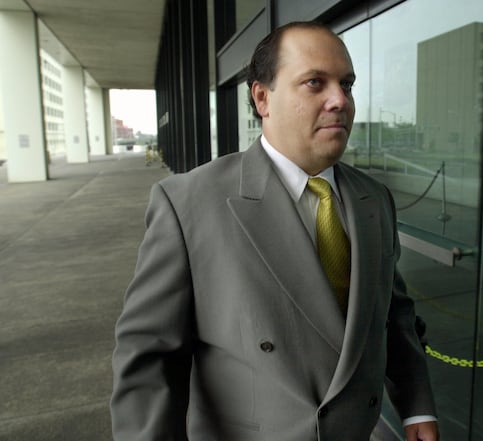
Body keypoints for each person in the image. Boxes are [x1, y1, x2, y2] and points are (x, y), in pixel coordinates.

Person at [111, 21, 439, 441]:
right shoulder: (190, 203)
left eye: (347, 84)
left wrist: (415, 408)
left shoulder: (374, 200)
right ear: (262, 97)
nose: (339, 100)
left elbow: (394, 317)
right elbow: (149, 358)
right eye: (315, 83)